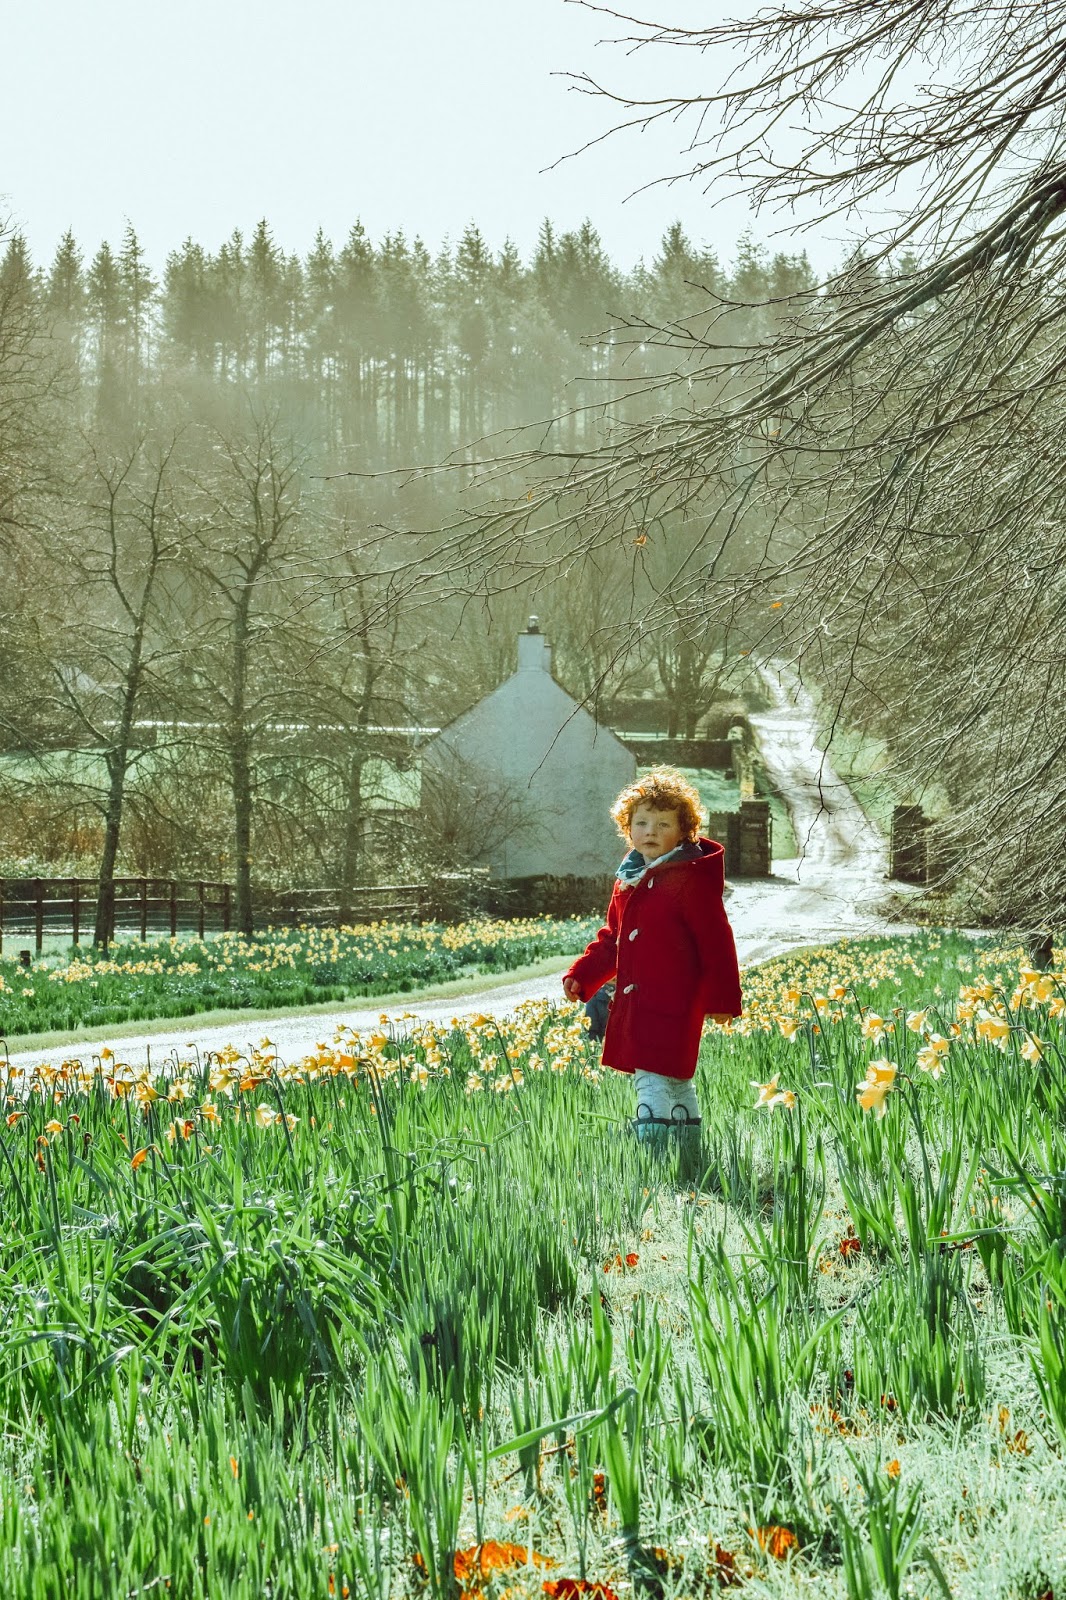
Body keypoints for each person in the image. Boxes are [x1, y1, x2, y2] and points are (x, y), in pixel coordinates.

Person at [563, 768, 741, 1142]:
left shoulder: (689, 879)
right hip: (639, 1001)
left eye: (663, 824)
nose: (650, 832)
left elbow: (716, 941)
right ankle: (688, 1148)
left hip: (675, 1000)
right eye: (641, 823)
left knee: (653, 1076)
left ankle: (654, 1153)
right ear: (628, 828)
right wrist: (583, 974)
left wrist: (723, 1000)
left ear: (684, 831)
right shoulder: (628, 879)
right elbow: (613, 939)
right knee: (673, 1079)